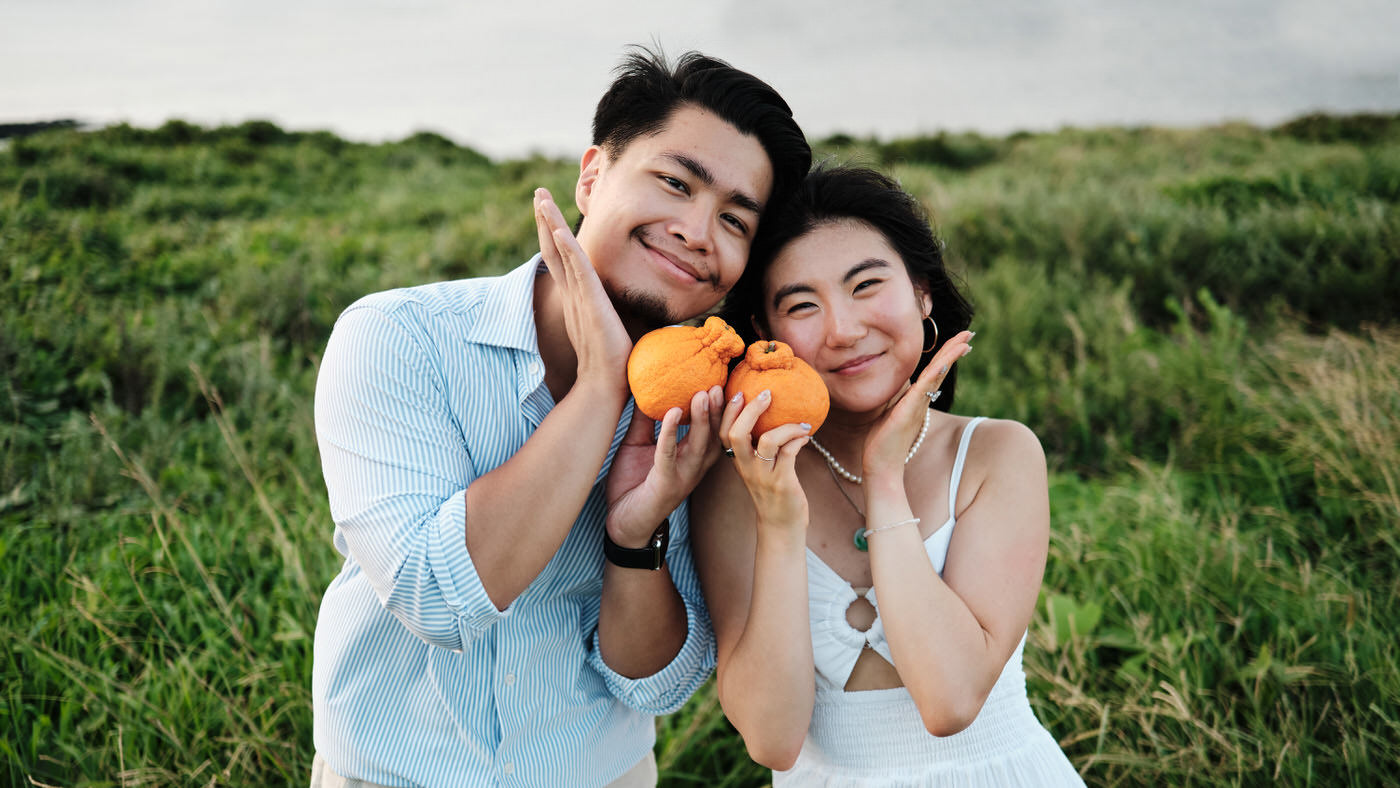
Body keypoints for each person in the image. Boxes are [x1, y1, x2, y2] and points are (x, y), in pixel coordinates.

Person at [310, 47, 810, 787]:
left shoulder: (705, 411)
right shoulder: (399, 338)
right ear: (592, 176)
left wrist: (635, 535)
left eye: (735, 221)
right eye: (676, 183)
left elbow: (656, 686)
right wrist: (601, 386)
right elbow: (436, 598)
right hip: (391, 772)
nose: (699, 231)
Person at [692, 166, 1084, 786]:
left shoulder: (997, 455)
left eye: (866, 285)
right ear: (766, 334)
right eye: (802, 305)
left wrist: (884, 478)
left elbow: (950, 699)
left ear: (922, 293)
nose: (844, 330)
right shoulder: (741, 478)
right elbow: (772, 738)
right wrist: (779, 522)